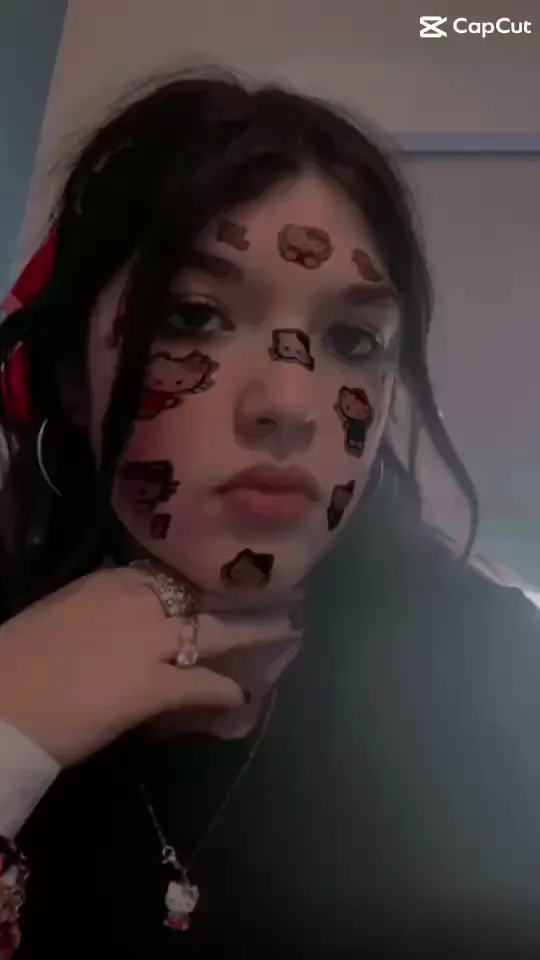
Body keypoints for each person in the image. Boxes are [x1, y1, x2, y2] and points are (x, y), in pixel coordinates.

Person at [0, 70, 539, 959]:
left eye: (354, 341)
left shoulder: (499, 682)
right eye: (194, 315)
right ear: (71, 379)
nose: (292, 401)